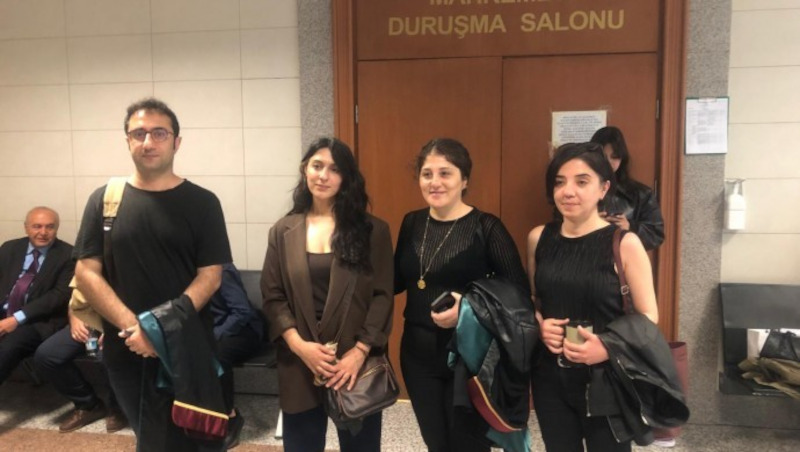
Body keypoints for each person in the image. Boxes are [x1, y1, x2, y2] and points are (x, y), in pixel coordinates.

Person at [73, 98, 231, 451]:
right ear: (127, 141)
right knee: (150, 437)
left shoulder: (203, 202)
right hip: (127, 347)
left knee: (199, 438)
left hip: (188, 344)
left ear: (176, 142)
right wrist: (137, 328)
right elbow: (86, 272)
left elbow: (210, 276)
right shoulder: (104, 200)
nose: (148, 141)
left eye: (159, 133)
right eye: (138, 133)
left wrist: (159, 331)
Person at [394, 138, 529, 452]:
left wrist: (468, 307)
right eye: (427, 174)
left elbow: (519, 295)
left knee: (468, 445)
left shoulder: (487, 227)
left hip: (469, 357)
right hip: (416, 356)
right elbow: (395, 280)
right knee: (436, 444)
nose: (435, 182)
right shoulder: (412, 223)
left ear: (464, 180)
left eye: (445, 173)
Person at [262, 137, 393, 452]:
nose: (323, 176)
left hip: (353, 365)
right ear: (304, 170)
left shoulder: (372, 230)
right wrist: (299, 346)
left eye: (334, 169)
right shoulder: (283, 231)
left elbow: (382, 296)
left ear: (346, 177)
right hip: (300, 361)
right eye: (317, 166)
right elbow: (273, 296)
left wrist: (359, 352)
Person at [526, 142, 659, 451]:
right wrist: (539, 326)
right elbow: (533, 299)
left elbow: (649, 316)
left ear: (604, 188)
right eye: (560, 182)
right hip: (550, 376)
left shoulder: (625, 244)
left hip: (607, 378)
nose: (568, 191)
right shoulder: (539, 238)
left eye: (582, 181)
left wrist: (607, 346)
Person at [0, 207, 74, 385]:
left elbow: (59, 295)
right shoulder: (10, 248)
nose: (43, 232)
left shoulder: (68, 255)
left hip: (38, 320)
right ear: (26, 228)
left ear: (56, 229)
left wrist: (16, 319)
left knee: (7, 349)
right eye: (37, 226)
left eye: (50, 227)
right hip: (4, 311)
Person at [33, 312, 128, 433]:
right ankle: (88, 405)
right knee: (47, 355)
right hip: (88, 324)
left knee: (107, 355)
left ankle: (119, 407)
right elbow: (74, 302)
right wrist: (74, 318)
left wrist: (112, 329)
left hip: (120, 324)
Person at [209, 262, 264, 449]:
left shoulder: (222, 270)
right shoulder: (185, 272)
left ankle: (229, 416)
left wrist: (213, 336)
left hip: (244, 330)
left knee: (217, 354)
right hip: (217, 330)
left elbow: (242, 312)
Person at [590, 126, 664, 251]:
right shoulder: (577, 191)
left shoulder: (641, 194)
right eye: (603, 156)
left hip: (625, 259)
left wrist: (629, 227)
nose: (608, 162)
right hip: (585, 259)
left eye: (615, 156)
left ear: (622, 158)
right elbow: (561, 234)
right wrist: (588, 225)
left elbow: (656, 235)